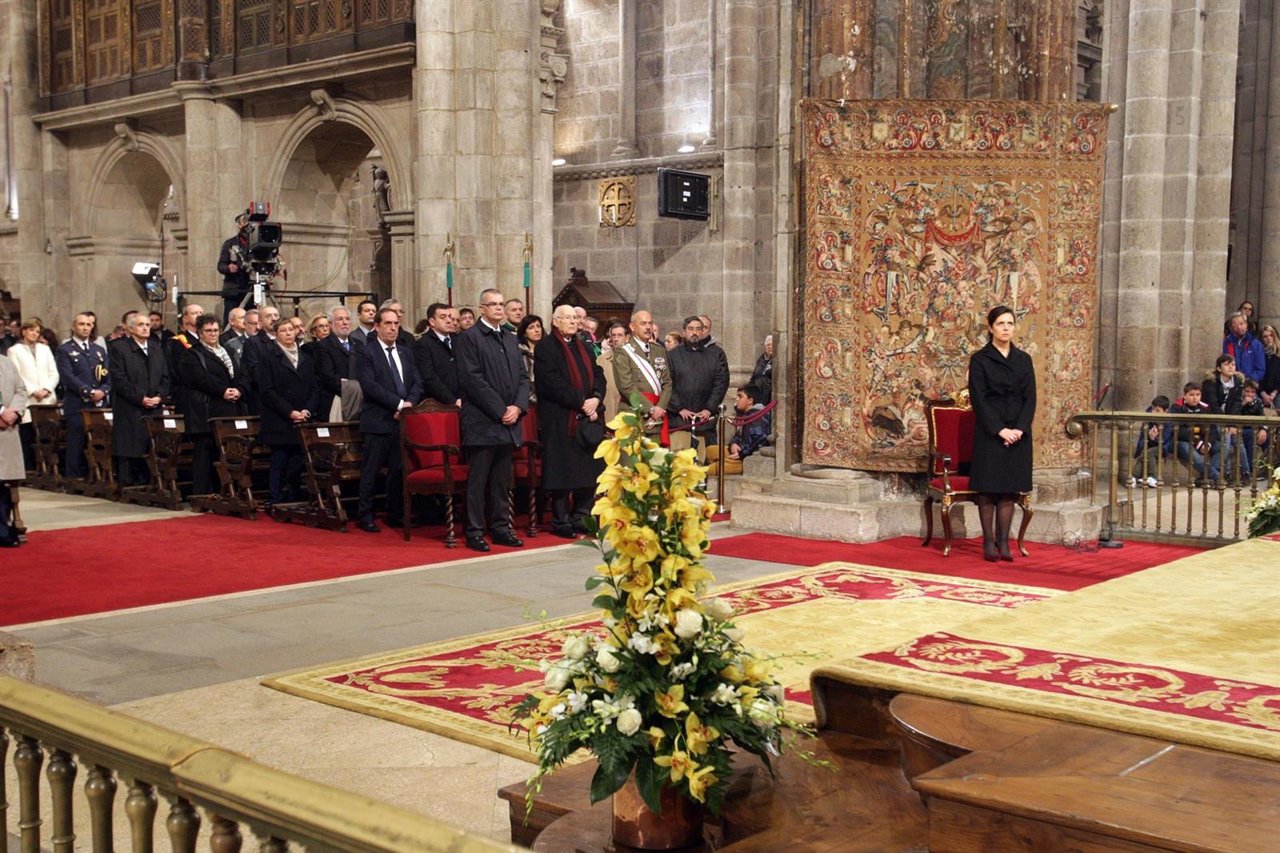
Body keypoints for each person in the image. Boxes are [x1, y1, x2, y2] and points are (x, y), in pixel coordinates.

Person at [455, 288, 529, 552]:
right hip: (483, 420)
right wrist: (501, 410)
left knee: (501, 480)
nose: (499, 308)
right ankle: (474, 530)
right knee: (478, 481)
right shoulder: (469, 338)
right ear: (482, 308)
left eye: (501, 304)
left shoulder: (509, 338)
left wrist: (518, 407)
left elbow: (522, 377)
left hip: (508, 421)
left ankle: (500, 528)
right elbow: (472, 380)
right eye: (493, 305)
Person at [967, 305, 1036, 562]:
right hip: (990, 432)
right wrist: (1000, 430)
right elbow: (979, 399)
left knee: (1008, 490)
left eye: (1010, 323)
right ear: (991, 328)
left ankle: (1004, 542)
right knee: (988, 490)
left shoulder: (1024, 360)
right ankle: (988, 541)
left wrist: (1019, 428)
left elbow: (1030, 398)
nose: (1006, 328)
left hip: (1018, 433)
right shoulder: (980, 359)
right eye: (1001, 324)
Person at [535, 305, 606, 538]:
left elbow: (598, 374)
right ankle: (561, 520)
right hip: (560, 418)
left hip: (586, 417)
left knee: (587, 471)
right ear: (555, 321)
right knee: (562, 472)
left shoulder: (583, 346)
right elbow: (551, 383)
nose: (574, 322)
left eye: (576, 318)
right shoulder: (546, 347)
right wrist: (582, 402)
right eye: (568, 318)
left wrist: (595, 398)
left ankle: (581, 517)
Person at [353, 307, 423, 532]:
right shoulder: (367, 352)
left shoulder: (405, 352)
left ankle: (395, 513)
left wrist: (408, 404)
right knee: (371, 470)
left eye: (396, 324)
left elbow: (417, 382)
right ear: (377, 326)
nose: (393, 328)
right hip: (378, 420)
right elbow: (370, 386)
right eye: (388, 324)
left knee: (398, 470)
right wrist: (399, 405)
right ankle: (365, 515)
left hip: (402, 422)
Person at [180, 314, 244, 495]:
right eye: (208, 331)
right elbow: (198, 379)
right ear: (200, 333)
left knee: (224, 453)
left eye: (216, 330)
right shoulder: (192, 353)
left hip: (229, 408)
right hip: (206, 411)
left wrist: (239, 389)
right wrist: (223, 391)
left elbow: (241, 374)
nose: (213, 334)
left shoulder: (228, 351)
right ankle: (201, 493)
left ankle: (223, 491)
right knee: (204, 453)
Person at [257, 315, 317, 505]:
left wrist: (307, 409)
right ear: (276, 334)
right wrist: (290, 412)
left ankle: (293, 496)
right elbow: (267, 391)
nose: (288, 333)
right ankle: (275, 498)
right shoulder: (269, 357)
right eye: (283, 330)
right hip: (280, 418)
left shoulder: (306, 357)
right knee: (279, 460)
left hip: (302, 416)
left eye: (291, 329)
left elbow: (315, 387)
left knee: (296, 462)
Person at [108, 312, 171, 487]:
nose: (145, 328)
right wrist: (140, 398)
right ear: (130, 328)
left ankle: (150, 482)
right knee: (129, 446)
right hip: (130, 407)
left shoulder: (155, 347)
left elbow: (165, 377)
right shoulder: (119, 348)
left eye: (147, 324)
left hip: (154, 407)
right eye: (141, 325)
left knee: (151, 446)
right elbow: (120, 379)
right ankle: (127, 484)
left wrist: (160, 396)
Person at [56, 312, 111, 479]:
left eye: (88, 324)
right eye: (81, 324)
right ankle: (73, 477)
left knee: (98, 441)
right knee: (76, 442)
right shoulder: (65, 350)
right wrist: (89, 391)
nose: (85, 327)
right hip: (77, 404)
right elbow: (67, 376)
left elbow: (108, 375)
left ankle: (95, 475)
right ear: (74, 326)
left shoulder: (98, 350)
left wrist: (104, 390)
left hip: (98, 405)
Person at [667, 315, 730, 456]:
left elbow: (721, 382)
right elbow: (666, 383)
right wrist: (678, 408)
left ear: (703, 332)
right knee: (679, 465)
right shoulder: (672, 356)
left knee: (702, 466)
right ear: (684, 331)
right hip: (679, 420)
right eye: (690, 329)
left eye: (698, 329)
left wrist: (709, 408)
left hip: (704, 420)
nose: (694, 332)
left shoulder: (714, 355)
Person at [6, 318, 59, 470]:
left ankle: (49, 467)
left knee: (48, 435)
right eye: (31, 330)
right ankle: (29, 467)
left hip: (47, 399)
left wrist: (47, 389)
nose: (35, 333)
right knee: (28, 434)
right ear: (24, 331)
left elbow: (53, 372)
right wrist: (33, 390)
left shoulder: (45, 349)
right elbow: (16, 375)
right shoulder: (14, 350)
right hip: (28, 398)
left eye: (37, 331)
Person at [613, 310, 672, 443]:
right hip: (633, 414)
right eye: (643, 323)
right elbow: (626, 386)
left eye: (650, 323)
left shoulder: (659, 350)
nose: (648, 327)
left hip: (657, 417)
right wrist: (650, 409)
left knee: (655, 461)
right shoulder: (623, 352)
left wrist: (660, 409)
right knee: (631, 461)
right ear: (632, 327)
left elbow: (667, 383)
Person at [314, 306, 363, 422]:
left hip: (359, 400)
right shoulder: (323, 346)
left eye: (347, 319)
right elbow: (327, 376)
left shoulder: (359, 345)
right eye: (340, 319)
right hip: (335, 400)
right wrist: (352, 387)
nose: (345, 322)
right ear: (331, 324)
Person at [1167, 382, 1219, 485]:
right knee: (1190, 452)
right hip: (1183, 441)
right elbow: (1178, 431)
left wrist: (1207, 443)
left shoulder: (1205, 408)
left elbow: (1212, 429)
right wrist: (1198, 443)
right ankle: (1216, 477)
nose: (1195, 398)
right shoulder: (1177, 407)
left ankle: (1204, 477)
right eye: (1191, 395)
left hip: (1203, 441)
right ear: (1185, 395)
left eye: (1197, 395)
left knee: (1221, 446)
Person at [0, 355, 27, 547]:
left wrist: (14, 412)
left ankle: (3, 529)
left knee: (3, 484)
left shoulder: (6, 362)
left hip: (7, 429)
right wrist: (1, 411)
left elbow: (20, 390)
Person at [413, 303, 461, 407]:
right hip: (437, 404)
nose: (449, 320)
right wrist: (452, 401)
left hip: (462, 401)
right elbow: (428, 377)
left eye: (450, 317)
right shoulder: (423, 344)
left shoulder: (457, 340)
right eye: (443, 317)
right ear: (432, 322)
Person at [1126, 395, 1170, 488]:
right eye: (1153, 409)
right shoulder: (1149, 417)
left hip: (1163, 447)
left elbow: (1165, 439)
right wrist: (1150, 437)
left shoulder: (1169, 422)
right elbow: (1144, 433)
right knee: (1144, 452)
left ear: (1166, 412)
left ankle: (1153, 477)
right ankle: (1134, 478)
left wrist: (1155, 438)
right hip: (1149, 444)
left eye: (1157, 411)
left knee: (1149, 452)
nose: (1153, 412)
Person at [217, 213, 254, 323]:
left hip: (251, 288)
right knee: (231, 320)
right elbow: (220, 266)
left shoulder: (255, 244)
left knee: (252, 319)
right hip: (234, 290)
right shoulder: (230, 243)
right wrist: (228, 268)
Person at [597, 320, 629, 424]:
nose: (616, 339)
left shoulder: (636, 359)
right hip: (609, 412)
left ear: (627, 337)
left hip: (629, 413)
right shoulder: (601, 360)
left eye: (619, 335)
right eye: (613, 335)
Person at [1222, 311, 1265, 383]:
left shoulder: (1255, 344)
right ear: (1231, 328)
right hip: (1231, 383)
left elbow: (1260, 369)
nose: (1239, 327)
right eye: (1235, 325)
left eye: (1241, 324)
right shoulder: (1226, 343)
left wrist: (1248, 380)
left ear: (1246, 325)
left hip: (1250, 385)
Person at [516, 314, 544, 404]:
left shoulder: (547, 350)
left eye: (538, 326)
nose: (536, 330)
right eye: (531, 327)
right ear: (524, 333)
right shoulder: (520, 352)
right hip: (528, 401)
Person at [1258, 323, 1280, 409]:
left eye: (1271, 335)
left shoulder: (1278, 355)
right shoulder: (1258, 355)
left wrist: (1274, 393)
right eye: (1265, 336)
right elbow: (1256, 376)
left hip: (1277, 391)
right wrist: (1263, 394)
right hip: (1260, 391)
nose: (1268, 338)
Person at [749, 334, 774, 404]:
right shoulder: (760, 360)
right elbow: (753, 377)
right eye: (768, 345)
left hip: (769, 398)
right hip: (758, 396)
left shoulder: (778, 361)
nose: (770, 347)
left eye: (772, 345)